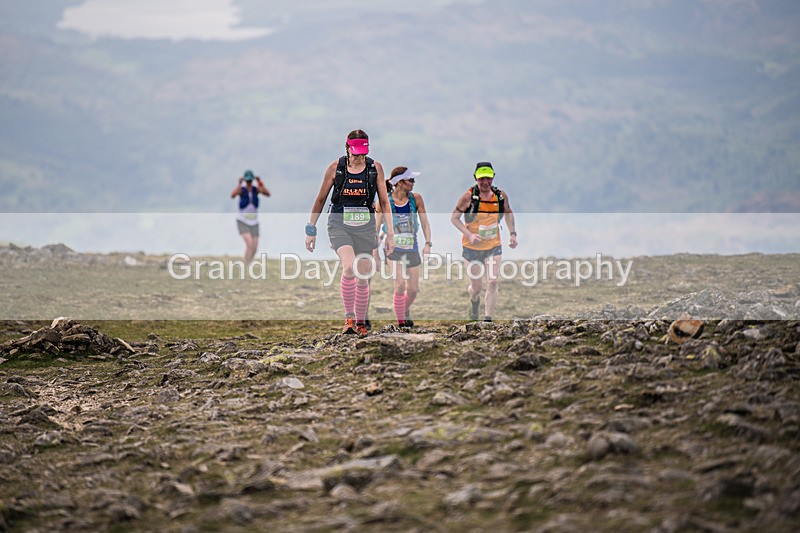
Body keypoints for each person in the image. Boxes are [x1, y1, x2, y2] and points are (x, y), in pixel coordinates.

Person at [305, 130, 394, 336]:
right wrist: (311, 229)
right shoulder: (335, 168)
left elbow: (384, 202)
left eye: (362, 153)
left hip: (365, 226)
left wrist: (389, 233)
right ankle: (349, 319)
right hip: (339, 223)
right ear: (347, 149)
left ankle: (361, 324)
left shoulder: (375, 168)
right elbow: (320, 200)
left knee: (363, 276)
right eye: (355, 153)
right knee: (348, 267)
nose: (359, 157)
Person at [450, 161, 517, 322]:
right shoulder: (468, 197)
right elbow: (454, 218)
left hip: (493, 245)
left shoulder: (500, 196)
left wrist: (513, 234)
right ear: (475, 178)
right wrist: (469, 234)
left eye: (488, 178)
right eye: (481, 179)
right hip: (471, 248)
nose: (485, 182)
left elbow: (508, 212)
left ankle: (488, 319)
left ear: (493, 178)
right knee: (476, 288)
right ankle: (474, 303)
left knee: (493, 281)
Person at [378, 166, 432, 328]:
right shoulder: (385, 201)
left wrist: (428, 243)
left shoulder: (416, 199)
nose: (413, 183)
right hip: (392, 250)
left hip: (412, 248)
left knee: (413, 290)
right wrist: (374, 248)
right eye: (410, 180)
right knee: (400, 284)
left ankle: (404, 309)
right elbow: (376, 225)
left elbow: (424, 223)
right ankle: (401, 323)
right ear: (399, 183)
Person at [230, 170, 270, 264]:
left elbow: (267, 193)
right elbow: (232, 195)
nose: (248, 183)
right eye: (247, 181)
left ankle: (248, 263)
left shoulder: (256, 189)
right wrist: (239, 184)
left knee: (255, 247)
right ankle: (245, 265)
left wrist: (260, 182)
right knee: (249, 244)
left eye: (250, 181)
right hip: (242, 221)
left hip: (254, 222)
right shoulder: (242, 190)